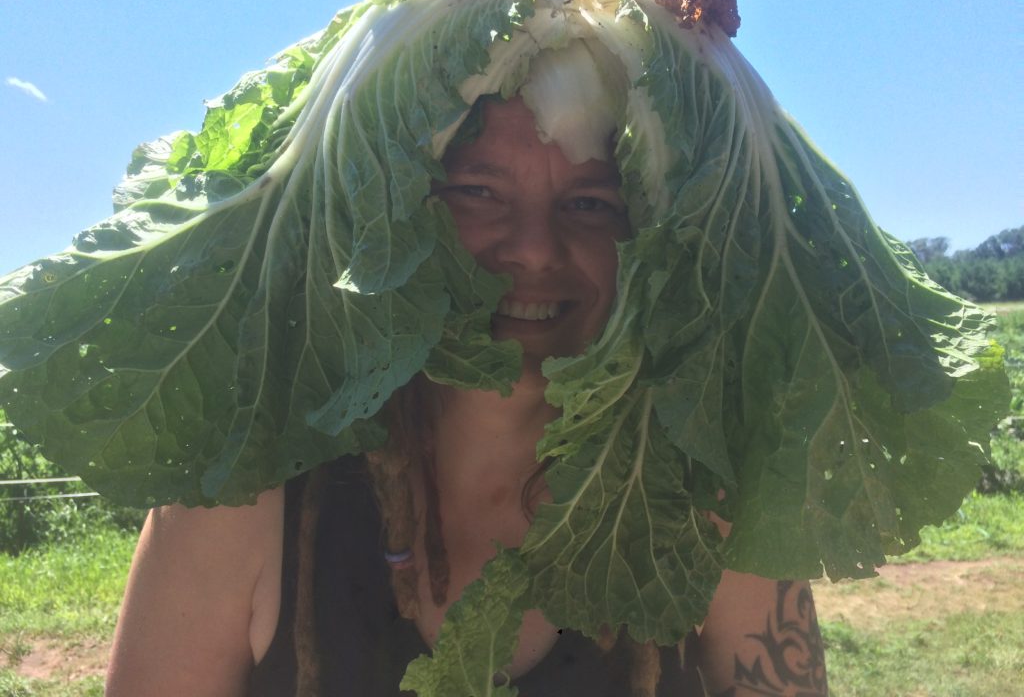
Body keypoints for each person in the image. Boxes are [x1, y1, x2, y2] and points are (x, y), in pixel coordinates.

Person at [105, 75, 828, 695]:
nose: (535, 248)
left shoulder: (705, 498)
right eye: (480, 192)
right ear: (399, 220)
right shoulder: (246, 497)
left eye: (589, 203)